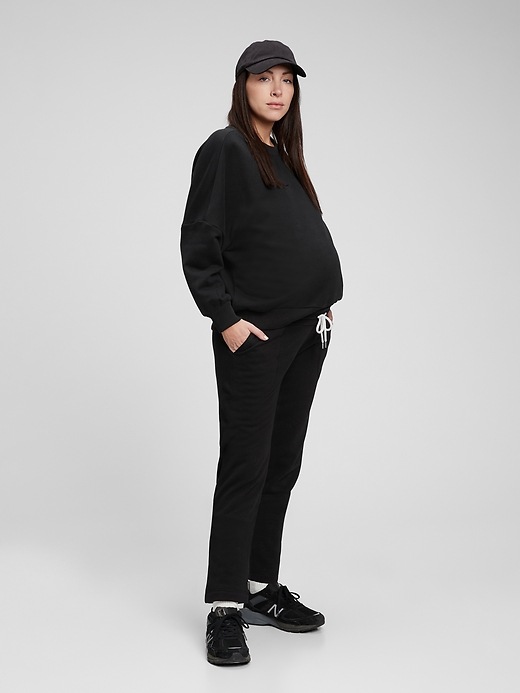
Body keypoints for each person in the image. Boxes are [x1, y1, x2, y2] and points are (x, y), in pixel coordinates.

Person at [180, 40, 343, 666]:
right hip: (257, 336)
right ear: (242, 85)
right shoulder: (226, 148)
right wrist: (226, 320)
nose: (277, 89)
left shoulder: (283, 153)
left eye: (287, 80)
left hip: (307, 332)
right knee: (245, 465)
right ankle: (224, 607)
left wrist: (319, 303)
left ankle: (258, 589)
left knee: (282, 464)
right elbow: (200, 239)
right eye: (264, 78)